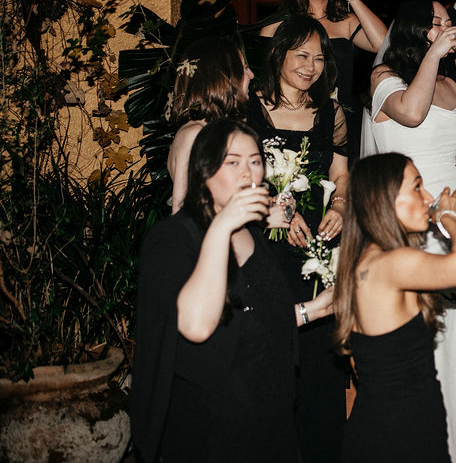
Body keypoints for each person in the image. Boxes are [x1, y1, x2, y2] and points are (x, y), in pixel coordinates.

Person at [131, 118, 335, 463]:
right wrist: (222, 224)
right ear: (204, 170)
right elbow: (196, 326)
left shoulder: (252, 237)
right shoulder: (174, 239)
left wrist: (315, 309)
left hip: (270, 420)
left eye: (255, 161)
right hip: (208, 428)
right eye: (233, 162)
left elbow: (254, 316)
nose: (248, 173)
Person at [365, 0, 456, 461]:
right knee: (418, 329)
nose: (447, 28)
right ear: (414, 31)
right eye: (437, 23)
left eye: (448, 22)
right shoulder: (383, 78)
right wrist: (435, 53)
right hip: (410, 212)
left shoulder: (453, 85)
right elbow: (411, 113)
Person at [335, 152, 456, 463]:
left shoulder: (367, 260)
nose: (429, 197)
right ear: (386, 199)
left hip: (394, 424)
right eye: (417, 187)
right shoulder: (390, 263)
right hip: (399, 434)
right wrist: (447, 218)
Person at [245, 14, 350, 462]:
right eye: (302, 54)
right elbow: (233, 177)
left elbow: (342, 175)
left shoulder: (331, 112)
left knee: (318, 368)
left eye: (320, 58)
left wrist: (341, 208)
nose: (311, 65)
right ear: (280, 53)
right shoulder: (249, 107)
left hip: (317, 251)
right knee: (267, 357)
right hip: (261, 246)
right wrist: (276, 214)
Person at [260, 0, 387, 157]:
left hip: (343, 122)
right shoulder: (280, 24)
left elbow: (383, 43)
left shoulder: (345, 22)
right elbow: (263, 75)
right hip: (297, 121)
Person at [167, 37, 255, 213]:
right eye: (244, 68)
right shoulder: (194, 134)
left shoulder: (217, 130)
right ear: (222, 77)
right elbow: (181, 213)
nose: (251, 74)